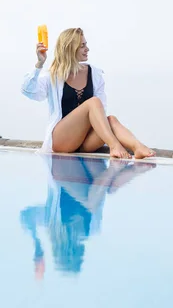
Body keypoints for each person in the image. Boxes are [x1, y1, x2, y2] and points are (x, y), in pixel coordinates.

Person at [21, 27, 156, 159]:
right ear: (70, 49)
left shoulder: (95, 74)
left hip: (84, 141)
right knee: (93, 103)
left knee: (111, 120)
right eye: (82, 46)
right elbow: (28, 90)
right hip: (61, 140)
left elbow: (100, 113)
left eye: (86, 45)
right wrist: (39, 63)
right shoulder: (53, 76)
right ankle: (114, 145)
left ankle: (138, 147)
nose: (87, 49)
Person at [20, 154, 157, 277]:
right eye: (76, 256)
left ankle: (118, 168)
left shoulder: (53, 222)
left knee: (95, 200)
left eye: (70, 255)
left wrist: (38, 248)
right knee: (110, 189)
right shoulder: (91, 229)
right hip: (91, 174)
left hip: (68, 174)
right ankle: (134, 168)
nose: (74, 253)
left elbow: (25, 216)